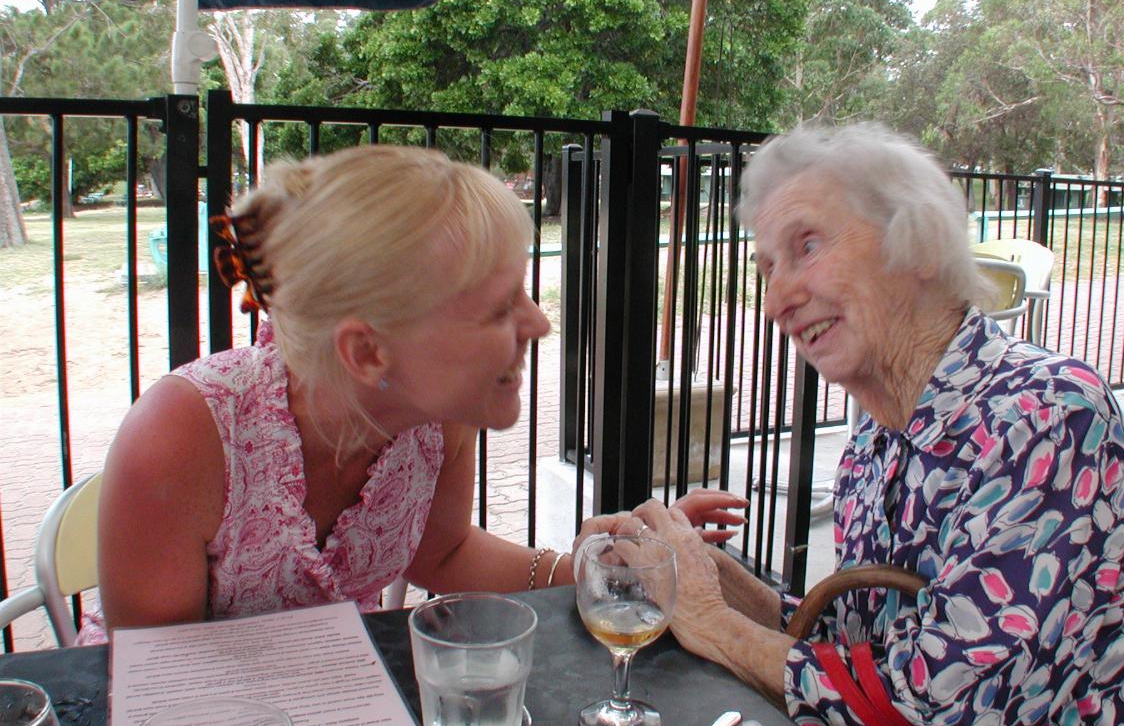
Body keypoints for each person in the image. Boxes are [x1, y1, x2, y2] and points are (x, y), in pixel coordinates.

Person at [631, 123, 1124, 726]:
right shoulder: (878, 427)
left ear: (915, 243)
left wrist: (713, 623)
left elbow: (943, 715)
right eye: (768, 267)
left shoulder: (1045, 418)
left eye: (807, 246)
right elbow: (860, 650)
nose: (777, 299)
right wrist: (693, 569)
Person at [84, 144, 742, 644]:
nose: (539, 324)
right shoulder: (184, 433)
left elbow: (446, 552)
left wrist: (593, 566)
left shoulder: (438, 418)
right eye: (498, 310)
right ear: (367, 351)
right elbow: (161, 672)